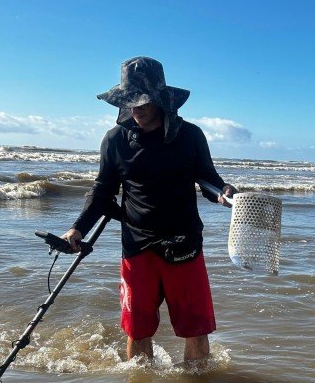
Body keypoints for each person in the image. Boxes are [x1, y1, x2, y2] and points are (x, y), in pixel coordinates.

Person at [62, 56, 236, 365]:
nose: (135, 109)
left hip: (185, 244)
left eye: (142, 102)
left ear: (160, 100)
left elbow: (209, 178)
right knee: (138, 330)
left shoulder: (190, 136)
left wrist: (223, 193)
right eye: (129, 102)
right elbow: (103, 189)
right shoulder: (116, 139)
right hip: (137, 247)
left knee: (195, 329)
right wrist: (78, 228)